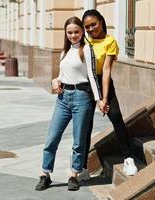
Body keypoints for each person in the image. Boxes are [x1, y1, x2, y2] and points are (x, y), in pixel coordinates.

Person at [35, 16, 102, 191]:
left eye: (76, 32)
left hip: (82, 97)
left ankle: (74, 175)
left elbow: (93, 77)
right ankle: (45, 174)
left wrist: (98, 99)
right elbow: (62, 75)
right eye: (70, 32)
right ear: (66, 33)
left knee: (78, 141)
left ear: (82, 32)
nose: (73, 35)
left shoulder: (87, 49)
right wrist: (55, 80)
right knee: (52, 138)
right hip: (63, 99)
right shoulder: (63, 53)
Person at [81, 9, 138, 177]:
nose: (91, 29)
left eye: (94, 24)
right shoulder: (83, 41)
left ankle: (128, 158)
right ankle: (82, 166)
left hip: (103, 81)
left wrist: (104, 98)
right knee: (85, 124)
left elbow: (106, 70)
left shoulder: (110, 41)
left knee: (116, 116)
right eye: (87, 27)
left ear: (101, 22)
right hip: (85, 84)